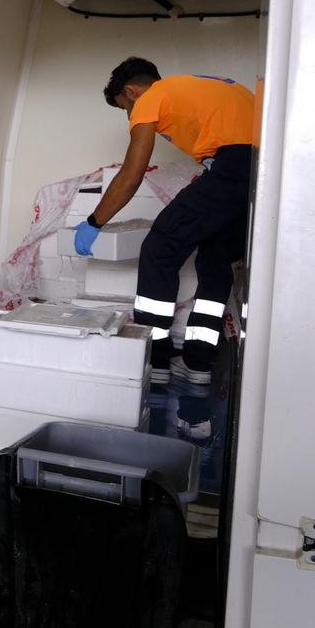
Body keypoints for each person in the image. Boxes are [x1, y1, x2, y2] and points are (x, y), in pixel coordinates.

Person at [74, 57, 256, 385]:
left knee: (160, 249)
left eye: (125, 108)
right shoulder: (208, 85)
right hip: (264, 176)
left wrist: (94, 221)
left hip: (233, 167)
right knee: (215, 260)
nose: (131, 117)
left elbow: (132, 173)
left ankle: (154, 362)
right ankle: (198, 363)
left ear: (131, 92)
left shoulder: (153, 96)